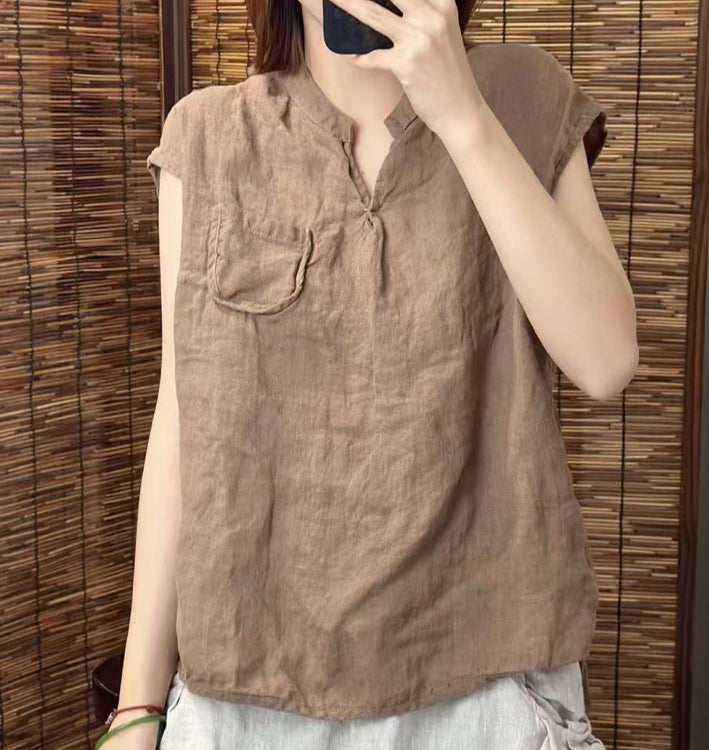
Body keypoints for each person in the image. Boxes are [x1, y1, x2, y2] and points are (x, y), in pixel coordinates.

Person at [100, 0, 638, 747]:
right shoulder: (209, 135)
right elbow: (182, 422)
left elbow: (607, 362)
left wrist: (462, 116)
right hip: (247, 696)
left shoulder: (523, 94)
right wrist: (136, 708)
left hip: (489, 686)